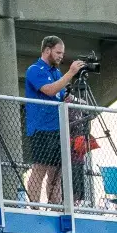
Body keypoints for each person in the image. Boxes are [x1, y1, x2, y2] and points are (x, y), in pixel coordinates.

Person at [22, 35, 87, 204]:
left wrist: (75, 100)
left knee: (56, 172)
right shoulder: (34, 69)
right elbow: (50, 90)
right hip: (41, 128)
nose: (60, 56)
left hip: (58, 128)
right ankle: (34, 207)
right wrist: (71, 72)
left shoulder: (56, 72)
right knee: (40, 169)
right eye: (58, 53)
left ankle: (56, 207)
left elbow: (60, 95)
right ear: (47, 50)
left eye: (62, 54)